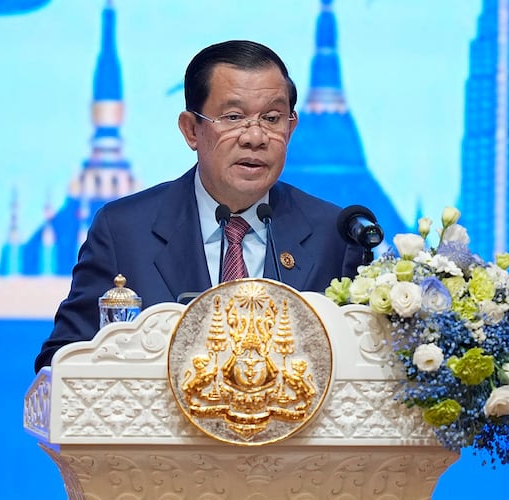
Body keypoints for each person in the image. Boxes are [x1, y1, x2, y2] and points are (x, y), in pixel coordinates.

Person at [34, 40, 364, 373]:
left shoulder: (332, 234)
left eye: (272, 118)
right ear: (191, 130)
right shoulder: (124, 231)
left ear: (291, 128)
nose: (255, 137)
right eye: (233, 117)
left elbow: (364, 367)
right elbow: (61, 362)